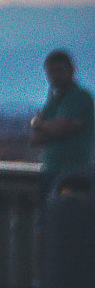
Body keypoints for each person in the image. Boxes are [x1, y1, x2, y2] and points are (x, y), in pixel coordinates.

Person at [31, 50, 93, 206]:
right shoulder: (53, 101)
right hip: (49, 171)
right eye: (50, 72)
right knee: (46, 223)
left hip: (73, 173)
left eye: (59, 70)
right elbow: (36, 139)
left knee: (67, 220)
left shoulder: (79, 96)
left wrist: (40, 125)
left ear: (71, 70)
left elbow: (59, 127)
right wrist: (45, 126)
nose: (54, 76)